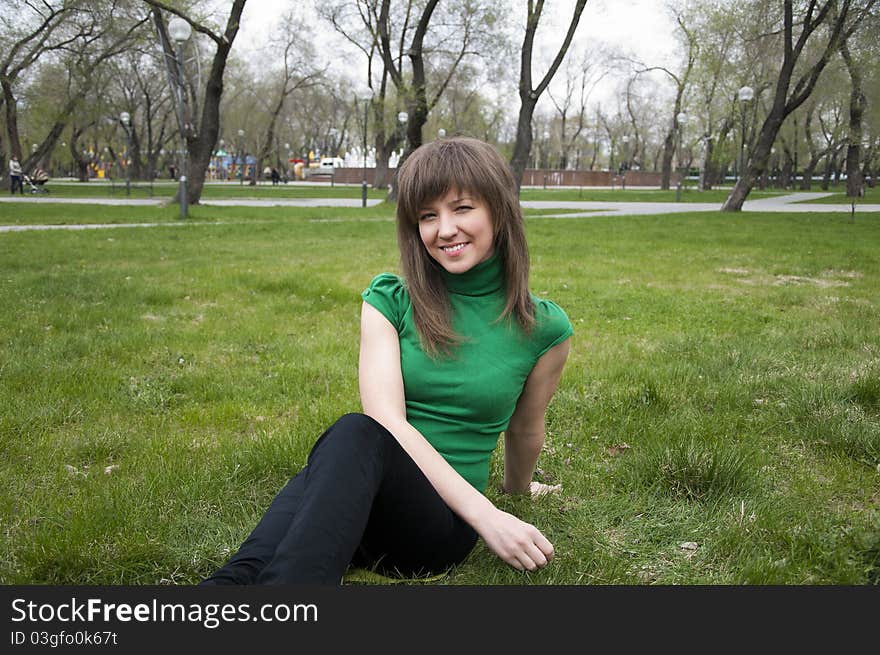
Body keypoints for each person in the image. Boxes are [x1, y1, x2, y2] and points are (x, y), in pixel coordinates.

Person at [201, 137, 573, 585]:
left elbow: (526, 428)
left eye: (462, 208)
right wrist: (491, 516)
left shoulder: (543, 327)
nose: (445, 229)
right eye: (428, 216)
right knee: (243, 571)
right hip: (358, 486)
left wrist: (512, 499)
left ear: (499, 209)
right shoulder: (389, 300)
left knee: (354, 436)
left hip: (436, 524)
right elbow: (387, 420)